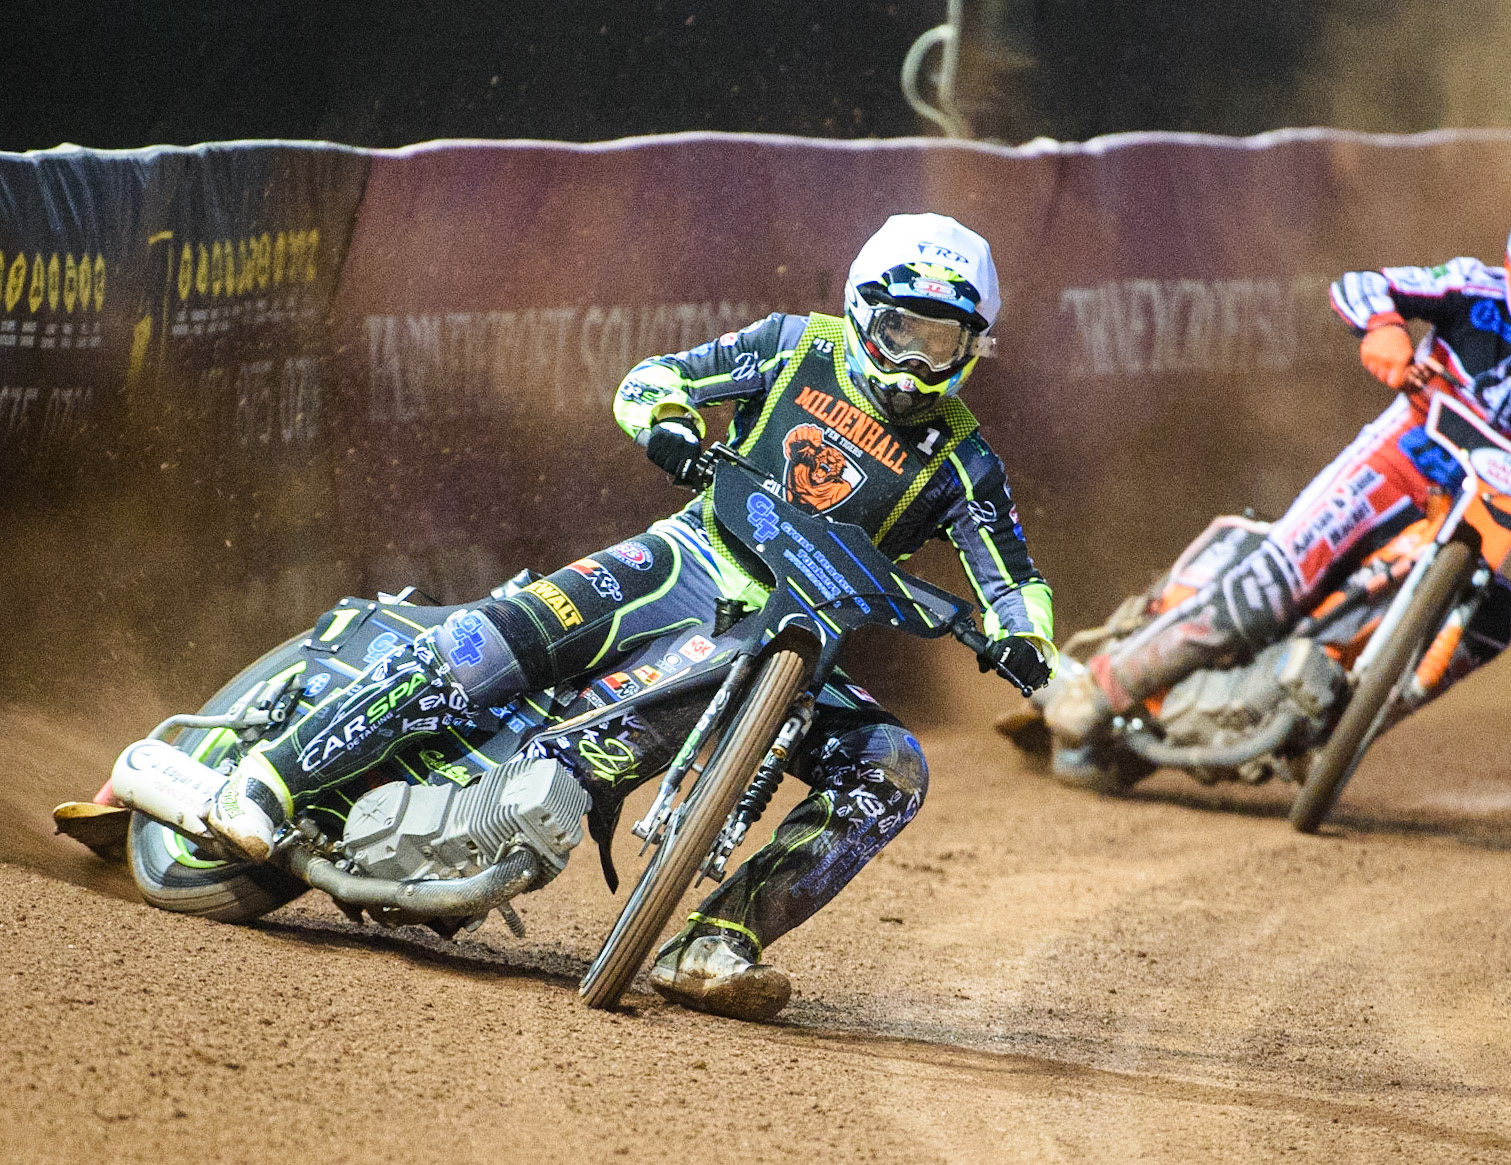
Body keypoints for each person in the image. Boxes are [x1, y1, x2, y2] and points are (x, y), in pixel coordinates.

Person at [190, 212, 1055, 1021]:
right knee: (491, 640)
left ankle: (715, 940)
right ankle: (271, 780)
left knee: (892, 766)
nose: (914, 363)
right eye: (901, 331)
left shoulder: (964, 459)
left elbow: (1012, 577)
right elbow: (657, 377)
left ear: (973, 346)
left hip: (796, 637)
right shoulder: (795, 346)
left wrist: (1025, 637)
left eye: (940, 342)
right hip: (686, 560)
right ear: (863, 310)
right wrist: (672, 427)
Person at [1046, 181, 1511, 747]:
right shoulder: (1470, 290)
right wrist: (1383, 329)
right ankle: (1103, 690)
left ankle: (1346, 726)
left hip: (1476, 517)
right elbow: (1366, 284)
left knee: (1490, 617)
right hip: (1394, 465)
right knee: (1275, 584)